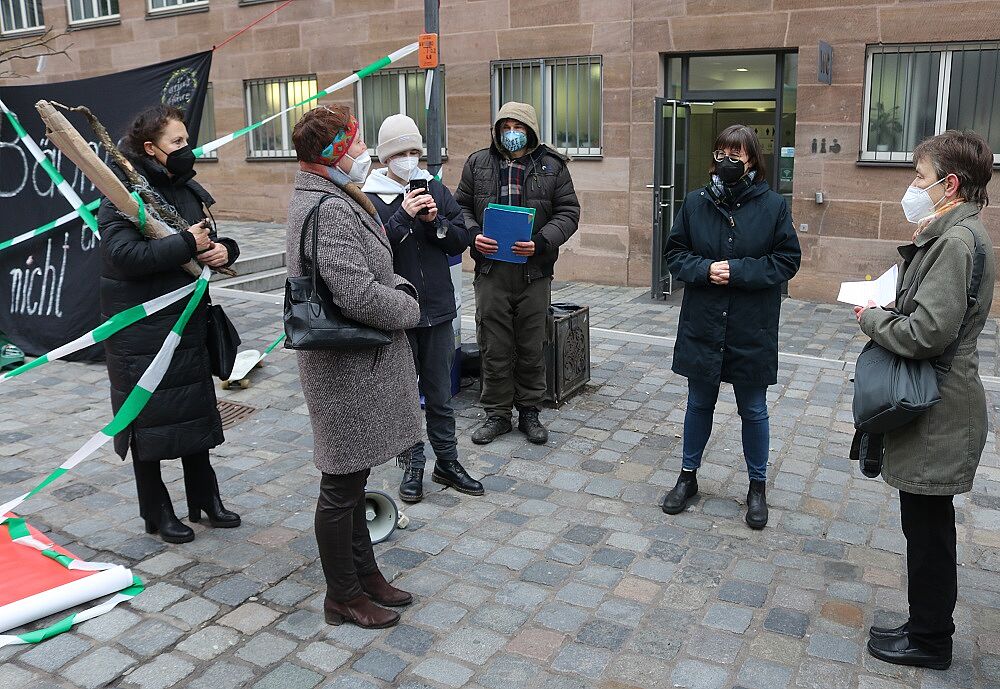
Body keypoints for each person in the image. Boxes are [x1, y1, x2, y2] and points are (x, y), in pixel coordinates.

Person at [855, 130, 995, 670]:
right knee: (924, 523)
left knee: (929, 530)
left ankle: (931, 639)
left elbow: (926, 333)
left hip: (940, 407)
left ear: (949, 184)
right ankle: (924, 625)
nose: (913, 186)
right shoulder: (950, 233)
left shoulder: (957, 242)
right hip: (938, 401)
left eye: (920, 177)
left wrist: (870, 315)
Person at [288, 105, 421, 630]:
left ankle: (365, 577)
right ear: (332, 153)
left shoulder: (333, 195)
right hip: (344, 369)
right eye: (355, 143)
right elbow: (354, 290)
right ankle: (341, 595)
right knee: (340, 488)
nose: (363, 152)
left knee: (352, 478)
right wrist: (408, 308)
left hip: (358, 365)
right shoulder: (325, 206)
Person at [99, 105, 241, 545]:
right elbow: (124, 256)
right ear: (149, 149)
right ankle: (157, 511)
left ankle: (204, 498)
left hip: (187, 323)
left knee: (194, 413)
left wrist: (224, 252)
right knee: (149, 425)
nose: (186, 149)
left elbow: (207, 239)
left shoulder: (185, 189)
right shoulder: (122, 194)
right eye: (176, 142)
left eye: (186, 140)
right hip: (142, 334)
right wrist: (187, 243)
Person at [661, 124, 801, 529]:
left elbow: (786, 261)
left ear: (752, 159)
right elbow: (676, 253)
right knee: (698, 403)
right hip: (704, 322)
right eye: (721, 152)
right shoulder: (695, 202)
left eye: (736, 154)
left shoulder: (773, 206)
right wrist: (705, 270)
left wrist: (738, 271)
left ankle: (757, 488)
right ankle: (688, 477)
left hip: (750, 325)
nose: (727, 160)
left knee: (753, 409)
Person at [361, 114, 483, 503]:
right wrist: (404, 214)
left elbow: (460, 240)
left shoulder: (435, 188)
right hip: (398, 312)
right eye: (401, 153)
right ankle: (412, 465)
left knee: (439, 394)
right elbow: (376, 250)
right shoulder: (369, 196)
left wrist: (434, 222)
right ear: (385, 158)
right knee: (405, 396)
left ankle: (447, 461)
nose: (409, 159)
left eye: (415, 151)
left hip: (438, 309)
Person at [454, 102, 580, 446]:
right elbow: (460, 207)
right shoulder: (478, 163)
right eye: (505, 125)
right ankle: (496, 413)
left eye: (518, 126)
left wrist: (540, 242)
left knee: (531, 343)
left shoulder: (552, 166)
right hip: (492, 270)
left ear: (531, 130)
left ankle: (529, 411)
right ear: (497, 130)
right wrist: (473, 235)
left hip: (534, 271)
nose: (511, 132)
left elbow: (568, 212)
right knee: (493, 343)